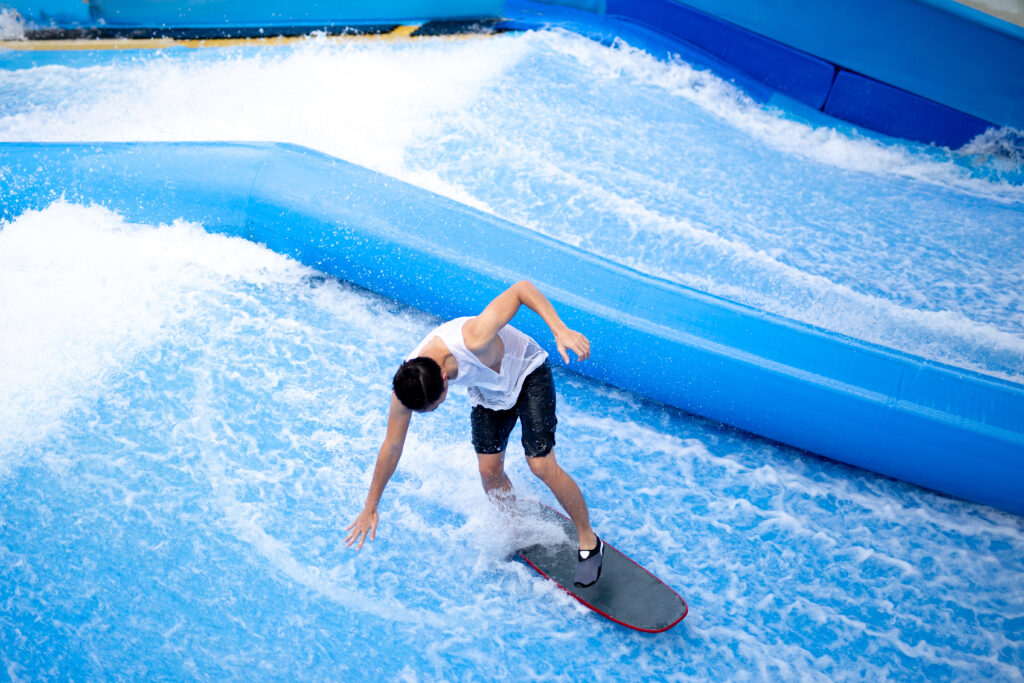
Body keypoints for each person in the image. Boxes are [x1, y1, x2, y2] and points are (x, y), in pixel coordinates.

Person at [344, 280, 604, 586]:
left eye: (436, 405)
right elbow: (392, 446)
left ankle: (589, 540)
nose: (433, 409)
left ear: (443, 378)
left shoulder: (474, 338)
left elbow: (521, 290)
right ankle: (516, 527)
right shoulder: (408, 385)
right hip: (490, 392)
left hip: (528, 375)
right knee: (489, 471)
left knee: (541, 465)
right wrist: (370, 505)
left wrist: (560, 330)